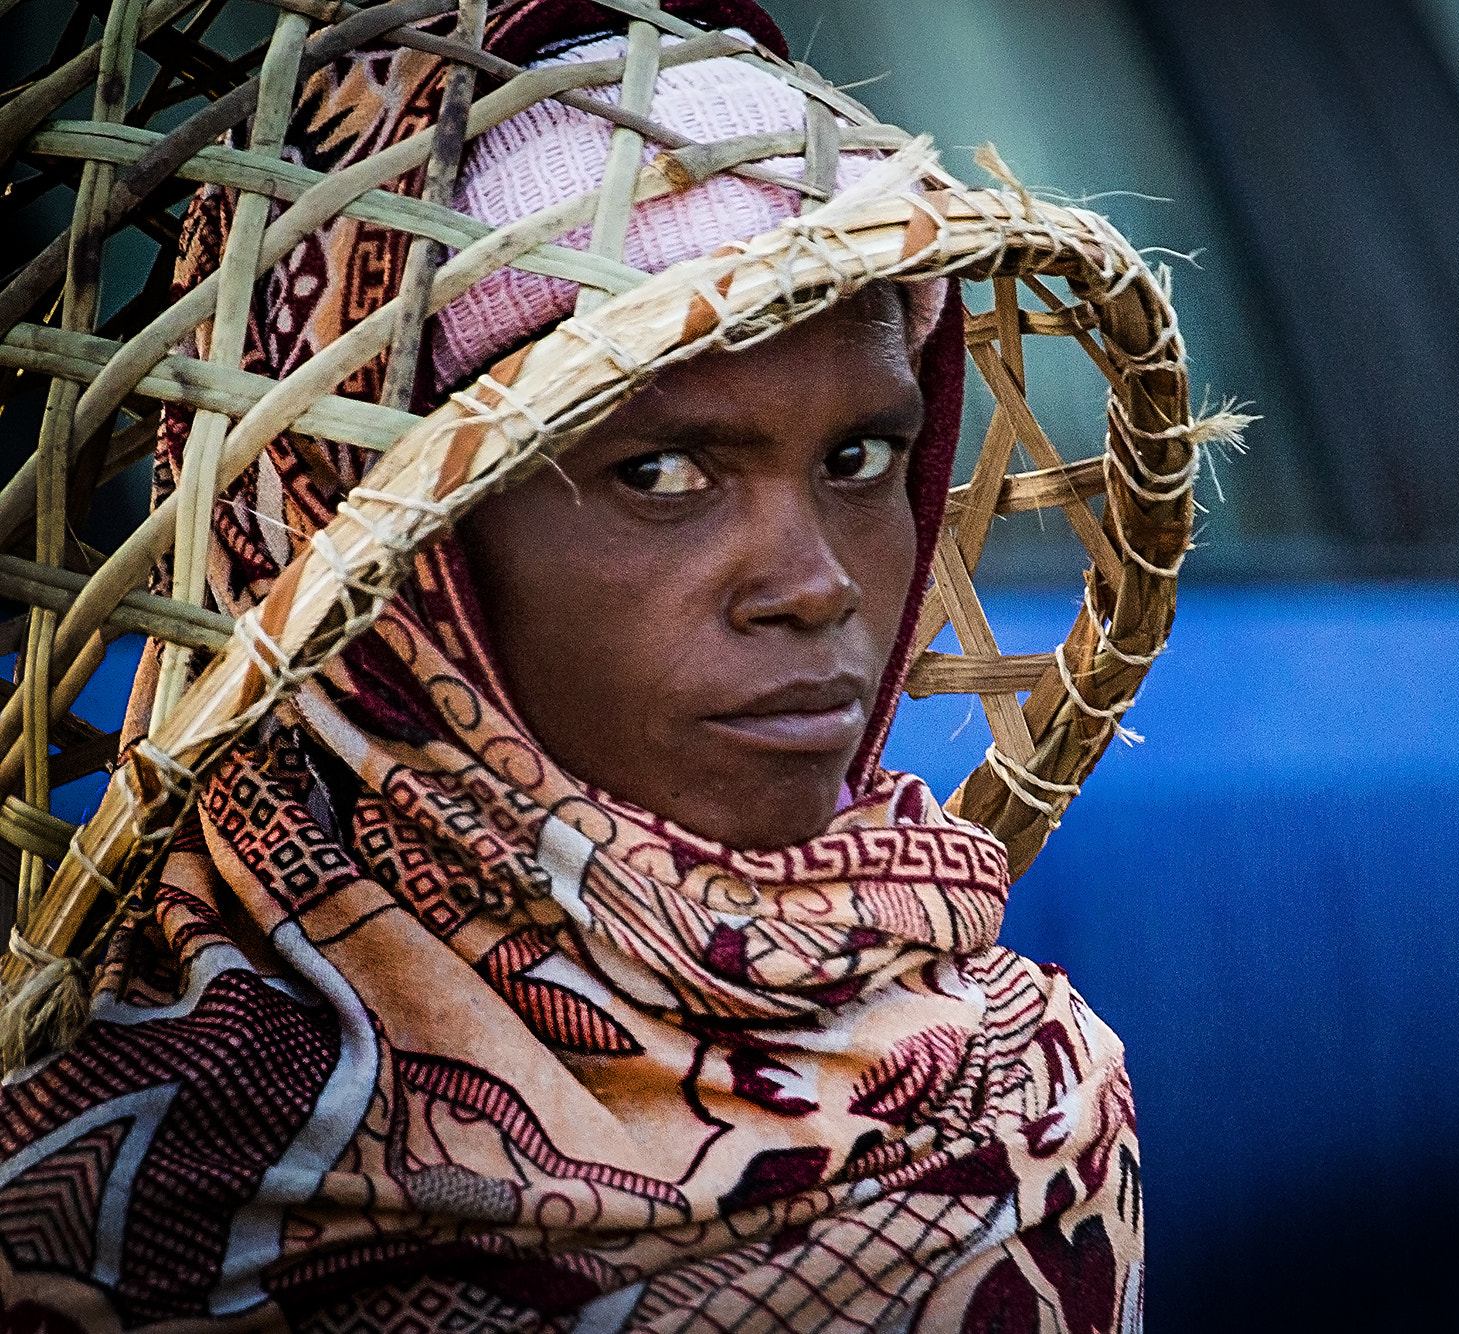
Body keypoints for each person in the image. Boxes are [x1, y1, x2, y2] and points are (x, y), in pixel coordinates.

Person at [0, 2, 1142, 1329]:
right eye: (658, 471)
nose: (816, 583)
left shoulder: (1024, 1096)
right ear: (408, 571)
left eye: (860, 459)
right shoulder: (136, 1188)